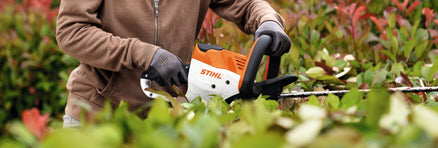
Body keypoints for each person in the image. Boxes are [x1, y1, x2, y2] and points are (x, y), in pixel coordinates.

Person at [56, 0, 291, 127]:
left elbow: (247, 4)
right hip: (98, 114)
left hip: (168, 120)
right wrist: (144, 54)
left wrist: (268, 21)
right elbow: (72, 31)